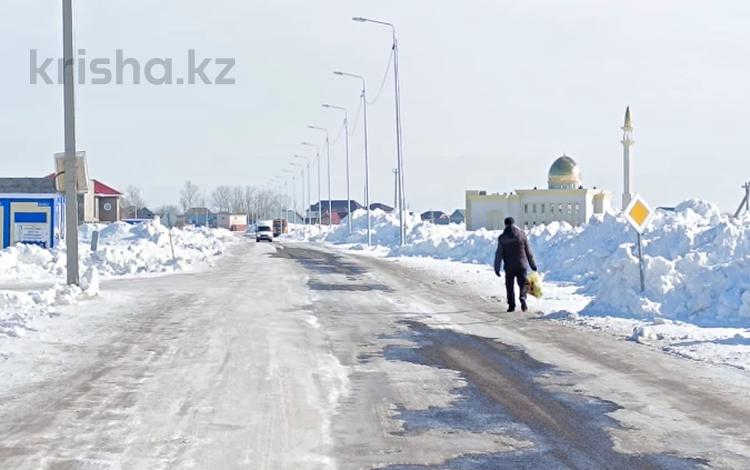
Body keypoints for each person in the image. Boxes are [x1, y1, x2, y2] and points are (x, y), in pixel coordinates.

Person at [494, 217, 538, 312]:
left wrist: (497, 268)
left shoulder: (502, 238)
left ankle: (511, 305)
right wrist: (532, 265)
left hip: (509, 266)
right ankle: (523, 299)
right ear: (514, 223)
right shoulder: (522, 235)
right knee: (523, 284)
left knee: (509, 285)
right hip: (521, 265)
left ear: (505, 225)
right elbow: (528, 251)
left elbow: (499, 254)